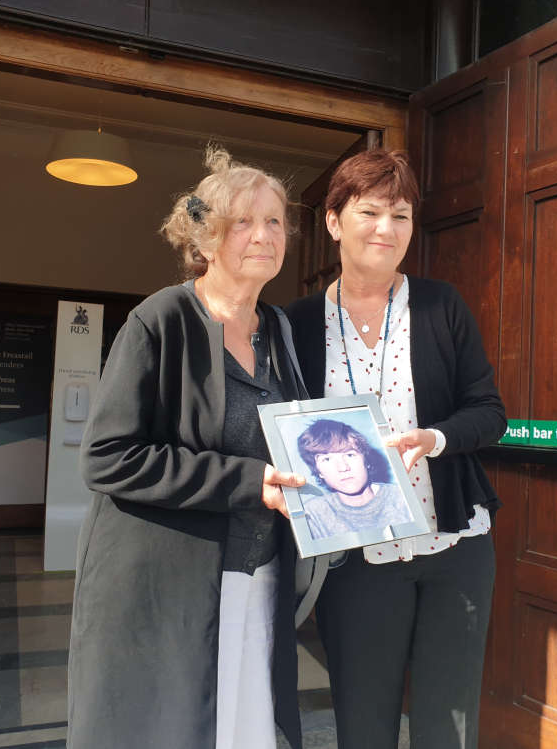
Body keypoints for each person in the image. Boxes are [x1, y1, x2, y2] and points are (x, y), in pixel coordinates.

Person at [68, 147, 318, 749]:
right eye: (243, 223)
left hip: (257, 576)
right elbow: (107, 456)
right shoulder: (160, 321)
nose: (264, 236)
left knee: (242, 730)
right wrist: (245, 482)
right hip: (169, 588)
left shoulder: (278, 330)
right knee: (175, 728)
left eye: (275, 222)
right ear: (204, 240)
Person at [286, 149, 507, 748]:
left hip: (453, 545)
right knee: (363, 717)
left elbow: (489, 413)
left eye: (402, 216)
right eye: (370, 212)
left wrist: (435, 439)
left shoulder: (441, 307)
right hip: (355, 558)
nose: (387, 229)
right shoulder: (296, 323)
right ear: (333, 221)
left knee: (450, 719)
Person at [296, 418, 412, 539]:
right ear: (318, 471)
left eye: (350, 455)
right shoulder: (313, 513)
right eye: (327, 459)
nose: (342, 467)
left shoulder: (401, 498)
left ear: (366, 460)